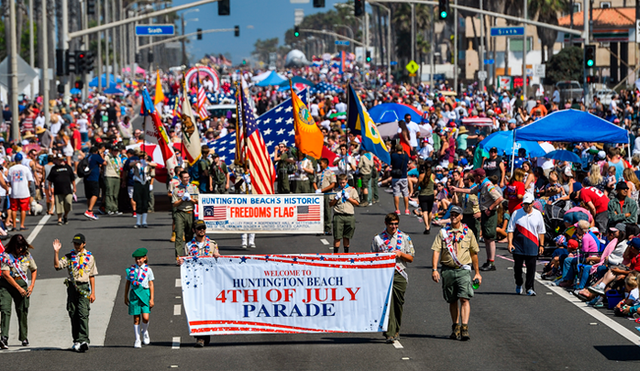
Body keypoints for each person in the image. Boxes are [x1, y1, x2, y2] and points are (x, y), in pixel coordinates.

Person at [431, 205, 482, 341]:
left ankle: (465, 327)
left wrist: (477, 273)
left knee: (464, 298)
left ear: (461, 217)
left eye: (456, 215)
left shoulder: (468, 233)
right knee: (452, 299)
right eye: (452, 214)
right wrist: (434, 269)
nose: (453, 217)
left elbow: (474, 253)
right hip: (447, 269)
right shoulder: (443, 233)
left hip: (463, 270)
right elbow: (436, 251)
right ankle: (455, 326)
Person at [371, 213, 415, 343]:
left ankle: (396, 329)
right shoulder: (378, 239)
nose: (393, 227)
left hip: (399, 273)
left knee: (398, 303)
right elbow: (372, 258)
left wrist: (400, 254)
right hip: (384, 273)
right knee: (387, 303)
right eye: (391, 224)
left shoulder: (405, 238)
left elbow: (411, 258)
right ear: (386, 224)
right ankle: (389, 332)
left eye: (396, 224)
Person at [451, 168, 504, 271]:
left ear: (479, 177)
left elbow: (499, 198)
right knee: (486, 237)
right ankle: (489, 261)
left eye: (474, 176)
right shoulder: (481, 185)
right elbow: (470, 191)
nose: (473, 178)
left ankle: (491, 262)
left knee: (489, 237)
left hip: (489, 212)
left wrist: (490, 208)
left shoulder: (488, 185)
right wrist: (457, 189)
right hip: (484, 212)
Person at [178, 219, 220, 347]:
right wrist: (181, 262)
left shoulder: (212, 244)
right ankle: (200, 337)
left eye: (203, 228)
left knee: (207, 308)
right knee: (197, 308)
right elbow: (186, 261)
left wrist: (217, 256)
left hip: (209, 281)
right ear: (194, 231)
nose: (201, 230)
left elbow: (218, 261)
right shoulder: (189, 246)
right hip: (195, 282)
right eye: (199, 228)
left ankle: (205, 334)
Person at [53, 234, 97, 352]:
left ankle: (84, 340)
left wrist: (93, 292)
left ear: (84, 244)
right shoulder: (69, 257)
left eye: (79, 243)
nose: (76, 246)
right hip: (72, 287)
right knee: (73, 313)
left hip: (83, 287)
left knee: (83, 313)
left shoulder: (90, 257)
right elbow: (57, 266)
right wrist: (56, 252)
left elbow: (92, 275)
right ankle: (76, 340)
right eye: (75, 243)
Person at [0, 234, 37, 349]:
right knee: (5, 309)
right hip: (7, 285)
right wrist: (19, 288)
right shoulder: (6, 256)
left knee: (22, 310)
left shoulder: (26, 255)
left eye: (22, 247)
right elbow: (6, 275)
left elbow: (34, 269)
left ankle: (24, 336)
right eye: (18, 247)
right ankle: (4, 337)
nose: (20, 249)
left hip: (22, 283)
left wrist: (31, 285)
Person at [507, 193, 546, 296]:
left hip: (532, 245)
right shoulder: (516, 213)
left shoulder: (538, 215)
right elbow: (510, 230)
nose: (527, 206)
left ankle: (529, 288)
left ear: (533, 203)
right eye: (525, 204)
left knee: (531, 269)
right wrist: (510, 243)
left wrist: (541, 245)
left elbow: (541, 231)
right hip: (518, 245)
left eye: (529, 204)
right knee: (518, 267)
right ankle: (519, 283)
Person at [124, 248, 154, 348]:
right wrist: (125, 296)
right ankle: (137, 339)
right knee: (136, 318)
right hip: (134, 295)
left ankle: (144, 331)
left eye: (140, 258)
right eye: (136, 259)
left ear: (145, 258)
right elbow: (128, 283)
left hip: (145, 294)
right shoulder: (131, 270)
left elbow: (151, 284)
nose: (138, 261)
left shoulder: (148, 270)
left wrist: (152, 298)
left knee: (146, 317)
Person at [172, 171, 199, 261]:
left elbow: (198, 201)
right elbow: (174, 204)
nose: (187, 179)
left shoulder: (193, 187)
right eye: (185, 177)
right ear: (181, 178)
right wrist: (182, 200)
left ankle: (189, 256)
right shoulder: (176, 189)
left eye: (188, 177)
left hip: (190, 213)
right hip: (180, 213)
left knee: (189, 235)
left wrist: (191, 199)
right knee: (179, 236)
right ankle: (179, 257)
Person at [330, 174, 359, 253]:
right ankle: (336, 254)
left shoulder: (352, 190)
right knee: (337, 237)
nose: (342, 185)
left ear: (347, 181)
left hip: (349, 215)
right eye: (340, 183)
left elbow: (357, 203)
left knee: (347, 237)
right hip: (338, 215)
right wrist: (336, 198)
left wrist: (349, 198)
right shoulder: (335, 190)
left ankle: (346, 254)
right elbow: (330, 204)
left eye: (343, 183)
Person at [46, 154, 76, 225]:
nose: (61, 161)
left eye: (62, 160)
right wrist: (49, 190)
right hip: (58, 190)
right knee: (59, 206)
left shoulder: (68, 167)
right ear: (56, 160)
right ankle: (59, 219)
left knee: (68, 204)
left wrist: (74, 187)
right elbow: (49, 181)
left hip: (68, 190)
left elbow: (73, 179)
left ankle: (65, 216)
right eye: (60, 160)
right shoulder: (54, 169)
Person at [8, 153, 33, 231]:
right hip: (24, 192)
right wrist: (26, 186)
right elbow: (29, 180)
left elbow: (8, 181)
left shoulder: (11, 169)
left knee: (14, 209)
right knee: (23, 209)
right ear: (21, 160)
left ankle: (14, 225)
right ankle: (22, 225)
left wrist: (13, 186)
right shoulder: (25, 168)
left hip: (14, 192)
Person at [314, 158, 336, 236]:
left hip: (327, 193)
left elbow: (333, 184)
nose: (320, 165)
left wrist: (322, 190)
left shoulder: (330, 173)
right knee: (320, 211)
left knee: (327, 211)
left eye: (321, 163)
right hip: (319, 194)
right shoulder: (318, 173)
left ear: (325, 163)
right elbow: (314, 182)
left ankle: (328, 228)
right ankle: (320, 228)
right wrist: (317, 190)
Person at [84, 145, 105, 221]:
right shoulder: (96, 156)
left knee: (89, 196)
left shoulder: (87, 156)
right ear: (96, 151)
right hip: (94, 177)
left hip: (86, 177)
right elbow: (104, 163)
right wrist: (101, 156)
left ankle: (91, 212)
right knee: (95, 194)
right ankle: (89, 210)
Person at [390, 145, 410, 215]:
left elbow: (391, 162)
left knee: (396, 193)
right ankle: (407, 209)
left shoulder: (393, 156)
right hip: (404, 176)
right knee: (405, 193)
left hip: (395, 176)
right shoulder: (405, 156)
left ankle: (397, 210)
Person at [103, 145, 122, 215]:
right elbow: (103, 161)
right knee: (109, 193)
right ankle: (108, 208)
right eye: (114, 151)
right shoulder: (108, 157)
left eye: (117, 151)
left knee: (115, 194)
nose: (116, 152)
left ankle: (115, 208)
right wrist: (106, 153)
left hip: (117, 176)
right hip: (109, 176)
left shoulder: (118, 158)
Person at [417, 162, 435, 234]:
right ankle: (428, 223)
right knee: (429, 211)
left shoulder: (421, 175)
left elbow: (417, 185)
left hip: (423, 195)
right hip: (431, 195)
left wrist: (413, 191)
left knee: (425, 211)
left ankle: (427, 226)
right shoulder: (433, 175)